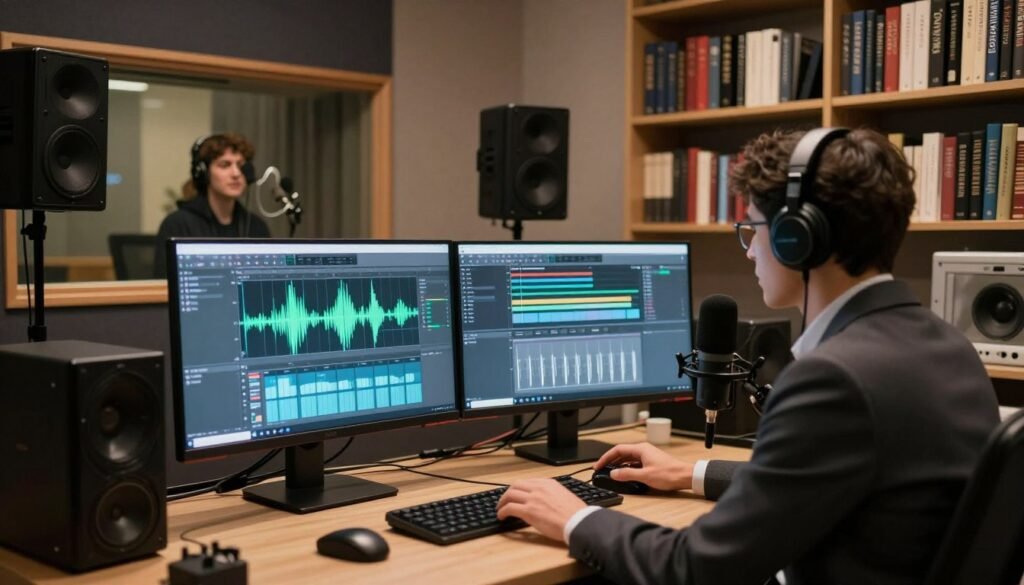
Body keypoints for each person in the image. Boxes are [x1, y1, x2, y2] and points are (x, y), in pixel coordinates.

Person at [495, 128, 1001, 585]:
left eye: (753, 229)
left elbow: (697, 570)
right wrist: (689, 473)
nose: (748, 251)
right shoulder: (944, 345)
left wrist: (574, 518)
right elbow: (831, 484)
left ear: (796, 237)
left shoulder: (835, 379)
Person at [153, 133, 271, 278]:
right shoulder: (178, 224)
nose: (236, 173)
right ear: (204, 173)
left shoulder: (256, 226)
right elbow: (163, 288)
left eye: (240, 165)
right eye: (225, 165)